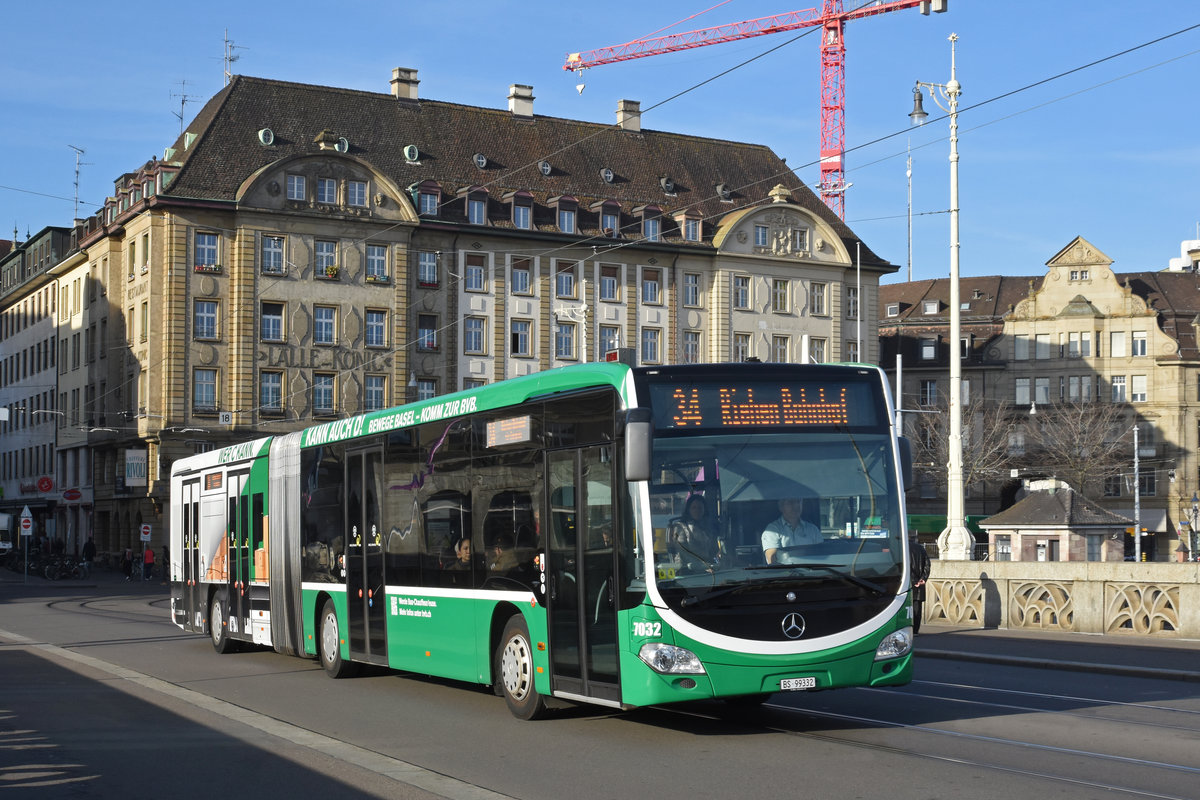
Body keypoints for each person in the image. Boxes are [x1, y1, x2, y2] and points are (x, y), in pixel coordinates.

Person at [761, 496, 822, 564]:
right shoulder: (772, 530)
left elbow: (822, 555)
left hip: (812, 572)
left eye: (798, 502)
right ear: (781, 507)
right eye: (791, 502)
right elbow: (772, 560)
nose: (796, 506)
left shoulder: (813, 529)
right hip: (784, 573)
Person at [668, 494, 718, 571]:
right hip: (686, 570)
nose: (697, 510)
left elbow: (713, 551)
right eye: (694, 508)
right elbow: (682, 551)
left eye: (700, 508)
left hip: (707, 569)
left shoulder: (709, 528)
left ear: (704, 510)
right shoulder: (680, 527)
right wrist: (701, 565)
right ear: (688, 510)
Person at [910, 535, 931, 634]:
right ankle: (915, 630)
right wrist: (923, 579)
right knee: (917, 607)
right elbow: (927, 564)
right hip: (919, 583)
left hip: (908, 583)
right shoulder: (921, 549)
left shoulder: (903, 549)